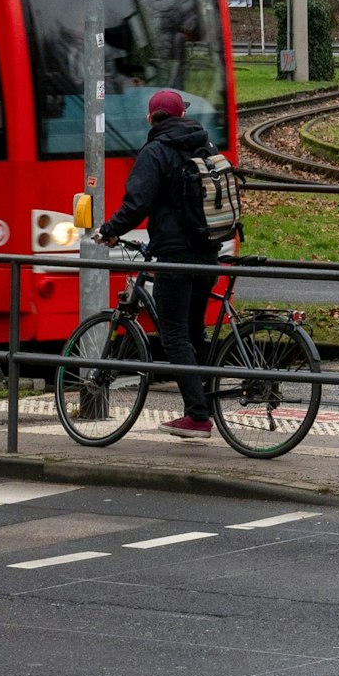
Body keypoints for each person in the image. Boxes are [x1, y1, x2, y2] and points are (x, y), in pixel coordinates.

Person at [94, 89, 221, 438]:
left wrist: (110, 230)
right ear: (182, 114)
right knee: (195, 332)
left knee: (175, 334)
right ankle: (207, 401)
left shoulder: (156, 151)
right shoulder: (204, 144)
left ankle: (198, 415)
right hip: (208, 251)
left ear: (152, 119)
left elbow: (137, 203)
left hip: (176, 255)